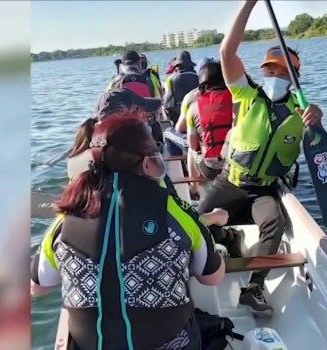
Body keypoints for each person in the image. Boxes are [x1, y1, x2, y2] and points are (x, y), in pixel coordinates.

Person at [31, 114, 227, 350]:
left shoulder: (67, 216)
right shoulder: (173, 209)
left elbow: (38, 287)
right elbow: (212, 277)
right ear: (146, 163)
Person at [196, 0, 324, 317]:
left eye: (285, 72)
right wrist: (249, 4)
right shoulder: (247, 94)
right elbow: (227, 51)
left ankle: (253, 288)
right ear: (263, 71)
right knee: (194, 223)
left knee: (275, 222)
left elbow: (319, 148)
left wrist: (317, 123)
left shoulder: (301, 111)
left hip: (264, 188)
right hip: (230, 181)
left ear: (295, 76)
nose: (276, 75)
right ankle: (226, 236)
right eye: (271, 70)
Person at [186, 60, 233, 194]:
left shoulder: (193, 108)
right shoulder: (238, 101)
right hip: (237, 165)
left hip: (211, 169)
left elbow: (193, 145)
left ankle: (194, 187)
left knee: (191, 150)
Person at [163, 57, 216, 157]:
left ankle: (180, 166)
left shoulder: (192, 96)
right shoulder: (230, 94)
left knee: (168, 132)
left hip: (204, 152)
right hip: (226, 149)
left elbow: (180, 128)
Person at [163, 51, 199, 125]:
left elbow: (167, 103)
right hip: (197, 114)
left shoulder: (171, 79)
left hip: (179, 117)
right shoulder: (199, 76)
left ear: (177, 66)